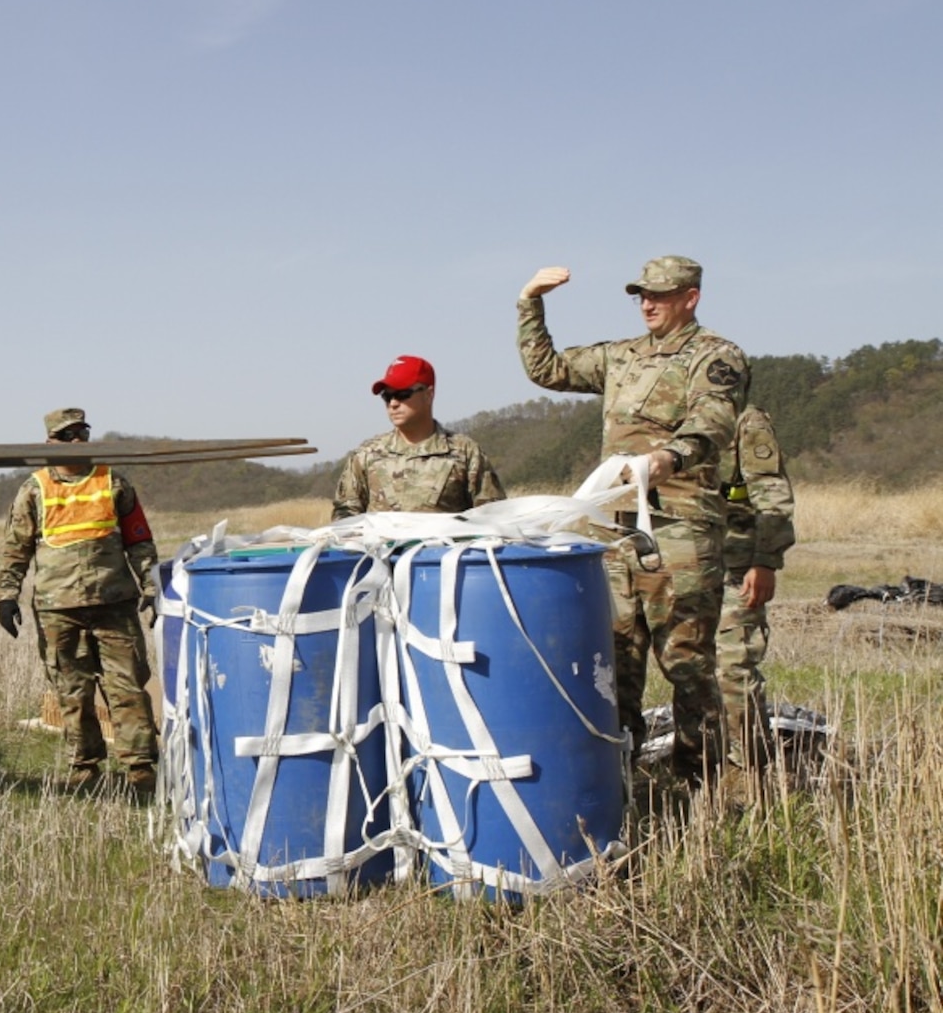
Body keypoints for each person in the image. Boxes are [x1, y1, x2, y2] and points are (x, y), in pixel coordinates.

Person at [516, 256, 749, 783]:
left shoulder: (715, 356)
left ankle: (698, 783)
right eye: (642, 294)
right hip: (613, 531)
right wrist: (530, 302)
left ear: (690, 297)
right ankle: (618, 780)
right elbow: (547, 368)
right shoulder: (621, 356)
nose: (648, 303)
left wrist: (668, 460)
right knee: (614, 660)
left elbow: (711, 421)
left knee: (686, 664)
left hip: (678, 531)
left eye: (661, 295)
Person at [0, 407, 161, 794]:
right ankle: (84, 769)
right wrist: (7, 596)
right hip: (58, 609)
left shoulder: (113, 482)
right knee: (72, 692)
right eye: (66, 435)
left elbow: (139, 540)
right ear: (49, 443)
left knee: (129, 689)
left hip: (114, 603)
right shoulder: (34, 488)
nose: (75, 441)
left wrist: (152, 586)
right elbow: (15, 549)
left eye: (81, 433)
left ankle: (141, 772)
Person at [716, 403, 795, 772]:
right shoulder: (661, 416)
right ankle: (701, 767)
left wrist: (765, 561)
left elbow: (771, 492)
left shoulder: (744, 420)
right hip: (677, 566)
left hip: (736, 564)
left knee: (734, 667)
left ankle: (749, 768)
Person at [332, 354, 507, 520]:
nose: (393, 403)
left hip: (444, 550)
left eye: (402, 394)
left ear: (428, 395)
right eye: (387, 396)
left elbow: (492, 517)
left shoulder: (465, 452)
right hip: (380, 551)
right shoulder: (366, 455)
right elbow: (345, 520)